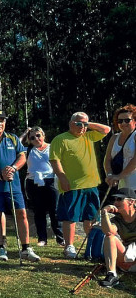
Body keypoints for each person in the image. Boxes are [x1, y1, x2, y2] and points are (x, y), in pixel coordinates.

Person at [0, 110, 40, 262]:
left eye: (2, 121)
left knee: (21, 213)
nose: (0, 124)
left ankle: (25, 248)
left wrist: (13, 168)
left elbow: (22, 156)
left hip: (13, 183)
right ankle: (0, 248)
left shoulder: (13, 138)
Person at [50, 111, 111, 258]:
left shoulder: (89, 136)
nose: (82, 127)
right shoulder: (61, 139)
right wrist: (62, 178)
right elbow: (54, 160)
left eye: (84, 125)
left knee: (90, 217)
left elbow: (106, 130)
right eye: (78, 124)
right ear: (71, 123)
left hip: (91, 185)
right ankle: (69, 246)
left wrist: (87, 124)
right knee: (70, 217)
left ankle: (90, 246)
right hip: (72, 185)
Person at [25, 127, 63, 246]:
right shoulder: (28, 150)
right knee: (38, 211)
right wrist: (25, 133)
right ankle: (42, 239)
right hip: (33, 181)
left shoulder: (52, 147)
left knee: (55, 210)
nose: (36, 139)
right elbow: (16, 146)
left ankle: (60, 238)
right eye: (32, 137)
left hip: (51, 180)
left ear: (43, 135)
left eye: (38, 136)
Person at [98, 188, 136, 287]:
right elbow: (109, 231)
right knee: (110, 237)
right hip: (127, 257)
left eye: (119, 199)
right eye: (115, 199)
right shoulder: (117, 220)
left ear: (131, 201)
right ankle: (112, 274)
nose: (115, 202)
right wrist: (104, 213)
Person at [105, 104, 136, 192]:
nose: (123, 123)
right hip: (123, 187)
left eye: (127, 120)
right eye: (120, 121)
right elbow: (107, 160)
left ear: (135, 121)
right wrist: (110, 175)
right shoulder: (114, 138)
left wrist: (119, 176)